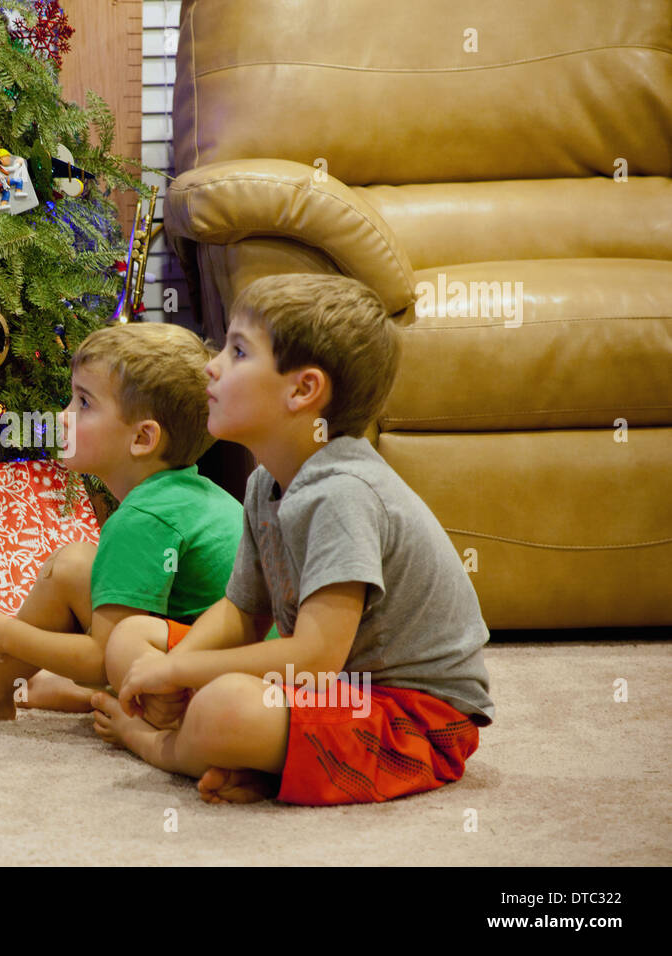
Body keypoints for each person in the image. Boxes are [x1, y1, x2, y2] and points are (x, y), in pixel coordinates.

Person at [92, 274, 494, 805]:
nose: (211, 366)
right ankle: (264, 760)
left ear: (303, 390)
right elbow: (242, 613)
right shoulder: (265, 482)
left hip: (411, 718)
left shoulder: (342, 494)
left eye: (238, 352)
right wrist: (172, 670)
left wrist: (180, 672)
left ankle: (158, 744)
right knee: (131, 638)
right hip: (328, 693)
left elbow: (312, 660)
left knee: (225, 708)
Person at [0, 322, 244, 720]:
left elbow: (105, 657)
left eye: (84, 403)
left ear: (143, 439)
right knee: (76, 566)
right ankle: (30, 689)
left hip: (206, 699)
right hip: (213, 670)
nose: (63, 416)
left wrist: (6, 636)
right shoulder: (183, 496)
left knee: (70, 569)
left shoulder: (143, 518)